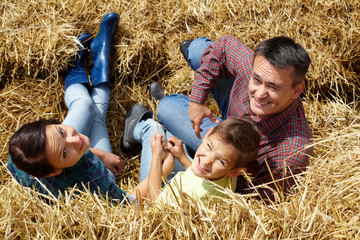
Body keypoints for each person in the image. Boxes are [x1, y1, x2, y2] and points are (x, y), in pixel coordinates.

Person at [150, 35, 313, 201]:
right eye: (256, 80)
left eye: (273, 87)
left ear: (297, 90)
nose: (260, 94)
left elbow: (257, 202)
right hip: (227, 118)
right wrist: (197, 100)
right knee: (199, 48)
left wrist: (221, 169)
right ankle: (201, 66)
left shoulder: (290, 153)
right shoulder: (261, 67)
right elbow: (225, 45)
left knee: (166, 107)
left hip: (227, 152)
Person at [7, 12, 127, 203]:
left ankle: (80, 65)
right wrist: (102, 157)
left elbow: (65, 147)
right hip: (91, 173)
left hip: (67, 160)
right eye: (64, 151)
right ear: (56, 171)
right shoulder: (97, 180)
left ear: (52, 124)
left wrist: (100, 153)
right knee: (96, 109)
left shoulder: (18, 157)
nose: (74, 140)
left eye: (61, 131)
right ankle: (101, 54)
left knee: (85, 104)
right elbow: (132, 203)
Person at [122, 104, 260, 204]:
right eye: (209, 146)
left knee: (153, 129)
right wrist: (182, 157)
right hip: (176, 184)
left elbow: (154, 203)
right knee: (166, 141)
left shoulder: (197, 197)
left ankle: (138, 126)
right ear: (208, 134)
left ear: (235, 172)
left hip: (154, 198)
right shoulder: (223, 174)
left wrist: (159, 163)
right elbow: (199, 179)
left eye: (221, 161)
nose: (206, 161)